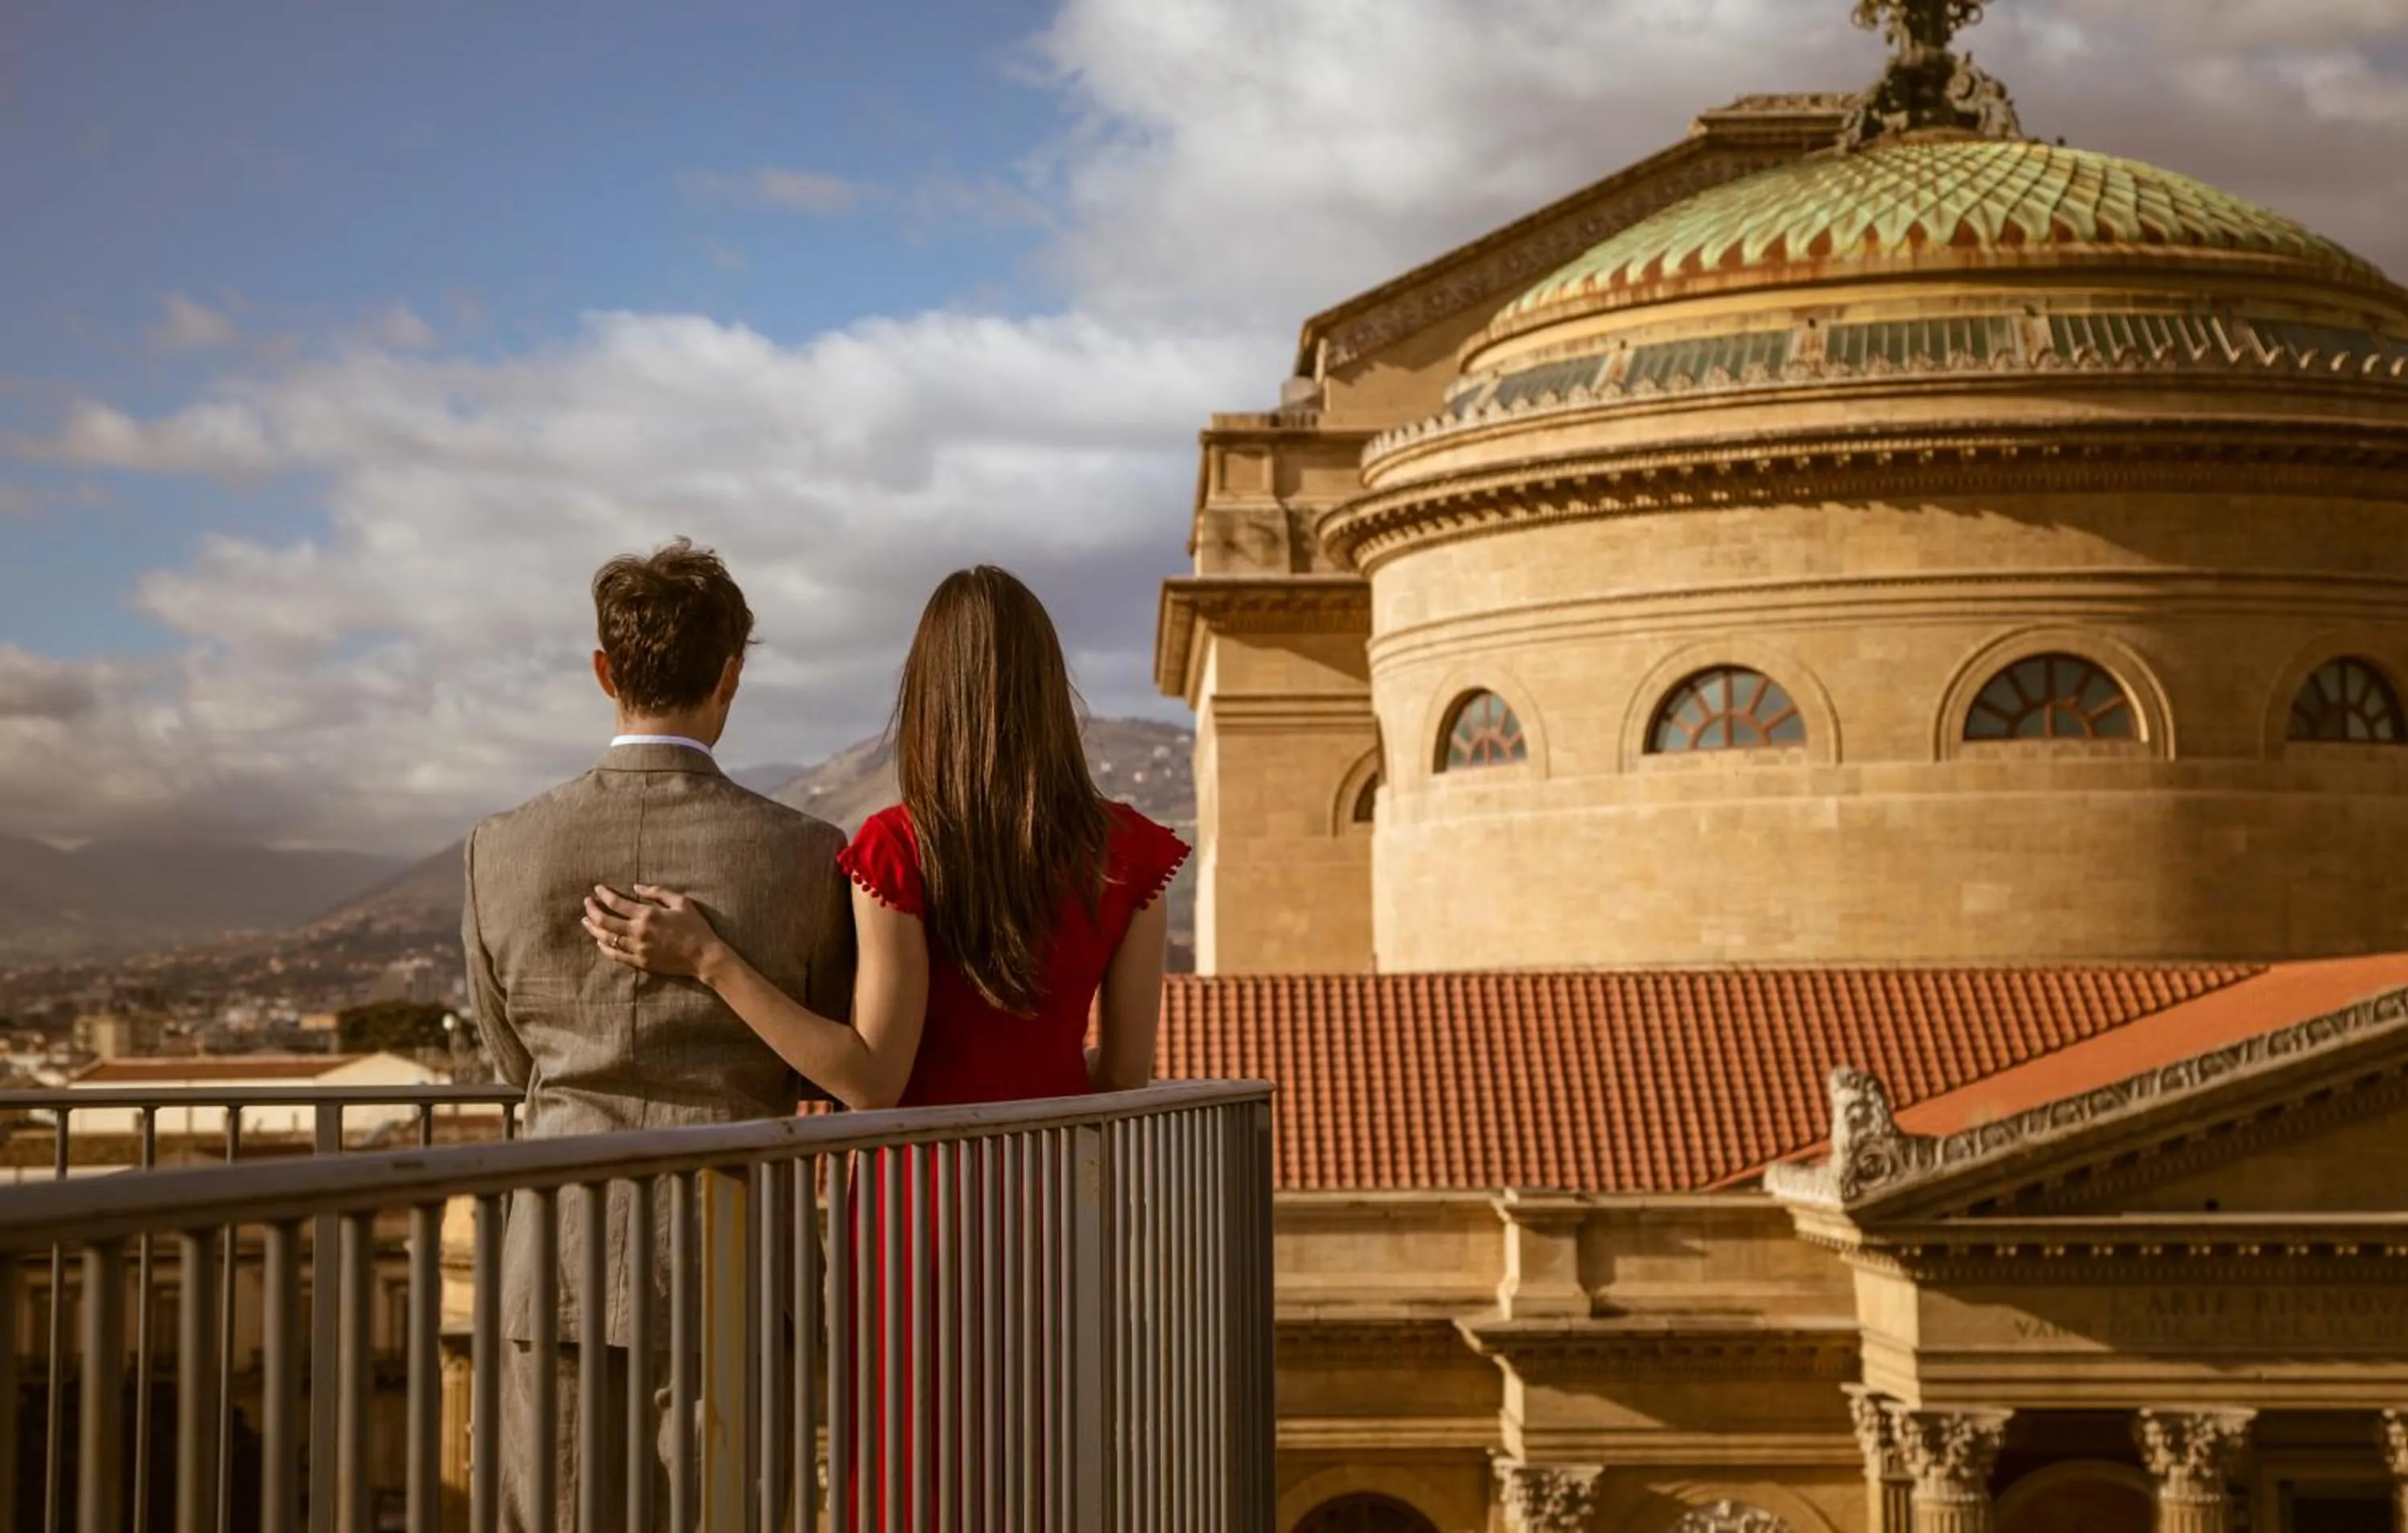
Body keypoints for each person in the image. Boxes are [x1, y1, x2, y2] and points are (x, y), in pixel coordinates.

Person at [581, 563, 1188, 1522]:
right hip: (1056, 1198)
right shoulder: (1133, 852)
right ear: (1049, 688)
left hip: (920, 1208)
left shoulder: (899, 848)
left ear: (927, 695)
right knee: (1044, 1457)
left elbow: (870, 1078)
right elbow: (1122, 1073)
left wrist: (711, 960)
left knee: (911, 1467)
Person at [465, 538, 856, 1533]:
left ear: (605, 671)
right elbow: (824, 1049)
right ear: (730, 675)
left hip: (558, 1250)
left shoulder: (498, 848)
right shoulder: (807, 853)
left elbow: (511, 1058)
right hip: (737, 1256)